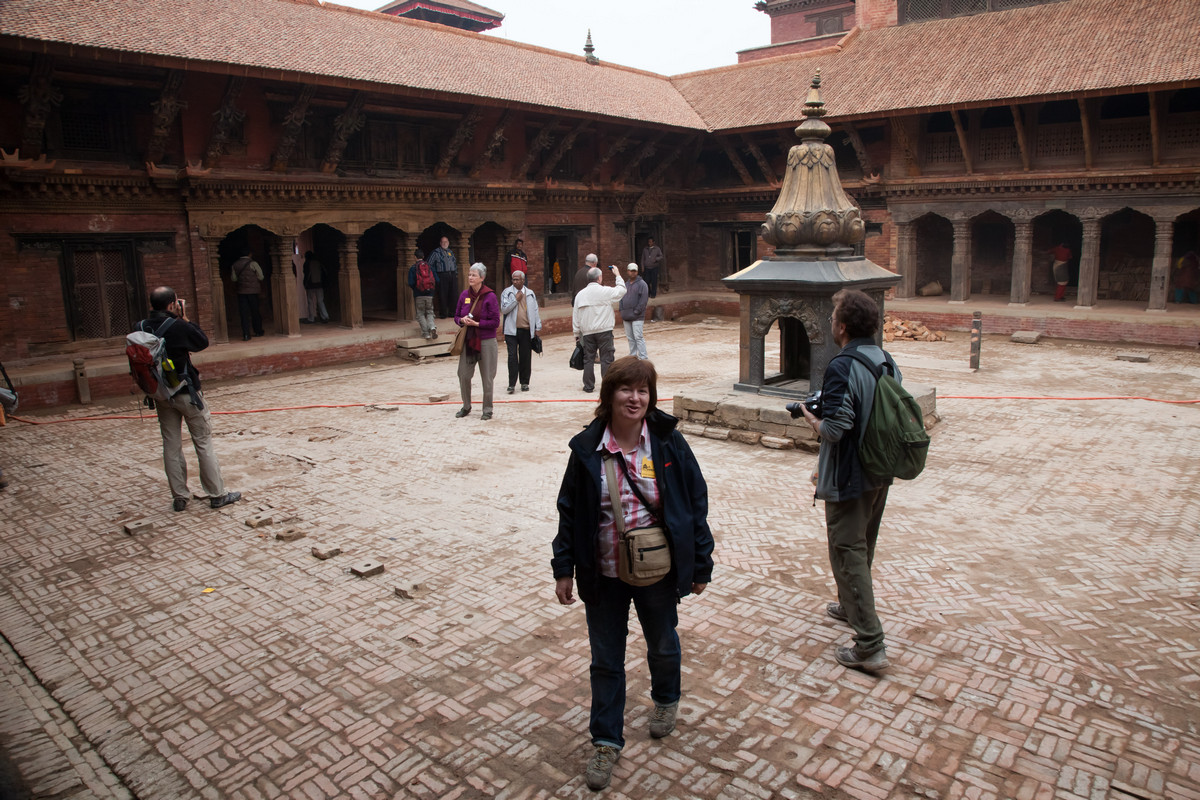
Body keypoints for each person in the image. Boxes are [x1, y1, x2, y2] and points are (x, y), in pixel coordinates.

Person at [552, 356, 714, 792]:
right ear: (609, 395)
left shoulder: (666, 443)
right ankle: (606, 740)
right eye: (627, 389)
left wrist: (701, 562)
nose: (636, 398)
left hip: (657, 570)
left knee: (662, 642)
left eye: (643, 390)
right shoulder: (587, 449)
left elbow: (694, 501)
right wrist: (563, 568)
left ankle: (665, 699)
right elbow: (569, 511)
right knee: (606, 660)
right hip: (602, 573)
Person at [799, 288, 900, 674]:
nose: (830, 322)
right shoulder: (885, 359)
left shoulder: (842, 364)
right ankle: (849, 603)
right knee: (863, 543)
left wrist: (812, 419)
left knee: (847, 550)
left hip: (850, 475)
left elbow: (837, 429)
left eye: (832, 316)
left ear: (842, 326)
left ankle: (870, 645)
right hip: (880, 469)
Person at [140, 287, 241, 513]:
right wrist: (184, 317)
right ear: (171, 304)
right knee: (203, 442)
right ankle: (217, 494)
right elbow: (202, 341)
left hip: (161, 394)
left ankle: (180, 497)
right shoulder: (177, 326)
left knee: (171, 445)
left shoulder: (141, 327)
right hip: (187, 393)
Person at [454, 263, 500, 420]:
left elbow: (495, 322)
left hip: (486, 340)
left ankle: (487, 409)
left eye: (474, 275)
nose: (470, 277)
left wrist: (477, 324)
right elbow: (456, 317)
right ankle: (466, 406)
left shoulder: (490, 296)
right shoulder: (464, 295)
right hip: (468, 340)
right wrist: (462, 319)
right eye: (469, 274)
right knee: (463, 374)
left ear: (482, 278)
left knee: (487, 377)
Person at [573, 264, 626, 393]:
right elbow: (622, 290)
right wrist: (617, 275)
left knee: (588, 360)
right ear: (599, 278)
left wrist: (576, 333)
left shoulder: (580, 295)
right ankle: (607, 386)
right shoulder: (604, 291)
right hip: (604, 331)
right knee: (606, 359)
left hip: (587, 332)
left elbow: (576, 315)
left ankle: (589, 386)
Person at [500, 270, 541, 394]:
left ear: (523, 280)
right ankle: (511, 384)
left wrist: (537, 326)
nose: (515, 281)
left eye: (518, 279)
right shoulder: (507, 292)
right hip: (511, 331)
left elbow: (535, 310)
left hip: (526, 329)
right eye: (513, 279)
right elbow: (504, 310)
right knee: (512, 357)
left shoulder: (530, 293)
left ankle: (524, 383)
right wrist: (516, 300)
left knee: (525, 356)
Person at [229, 249, 265, 341]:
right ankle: (258, 331)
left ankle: (246, 334)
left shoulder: (235, 264)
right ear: (250, 254)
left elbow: (233, 279)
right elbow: (261, 276)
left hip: (241, 292)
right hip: (253, 292)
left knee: (244, 314)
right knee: (255, 312)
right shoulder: (253, 264)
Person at [407, 247, 439, 339]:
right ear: (423, 256)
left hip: (418, 294)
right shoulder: (430, 267)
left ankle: (426, 333)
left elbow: (411, 282)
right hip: (430, 294)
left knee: (420, 313)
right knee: (429, 312)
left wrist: (417, 289)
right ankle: (432, 327)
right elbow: (437, 279)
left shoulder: (413, 268)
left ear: (415, 257)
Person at [618, 263, 648, 360]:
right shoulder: (625, 285)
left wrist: (636, 311)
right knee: (630, 338)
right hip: (626, 315)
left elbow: (643, 301)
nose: (632, 273)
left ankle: (643, 357)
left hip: (637, 316)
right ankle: (633, 355)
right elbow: (621, 298)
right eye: (631, 271)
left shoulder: (642, 284)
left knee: (638, 337)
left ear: (637, 272)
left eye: (634, 271)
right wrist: (622, 310)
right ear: (627, 271)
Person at [429, 236, 459, 319]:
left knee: (453, 294)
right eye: (443, 242)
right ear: (440, 243)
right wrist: (435, 275)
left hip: (452, 275)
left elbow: (454, 263)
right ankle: (443, 313)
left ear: (448, 243)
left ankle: (452, 312)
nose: (445, 243)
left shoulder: (450, 252)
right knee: (443, 294)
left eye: (446, 242)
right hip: (442, 275)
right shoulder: (436, 252)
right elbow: (429, 264)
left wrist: (455, 274)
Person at [302, 251, 330, 324]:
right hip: (319, 285)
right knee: (320, 301)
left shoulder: (307, 264)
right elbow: (324, 273)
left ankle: (311, 318)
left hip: (310, 285)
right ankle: (325, 316)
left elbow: (306, 274)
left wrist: (305, 284)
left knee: (310, 301)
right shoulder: (319, 263)